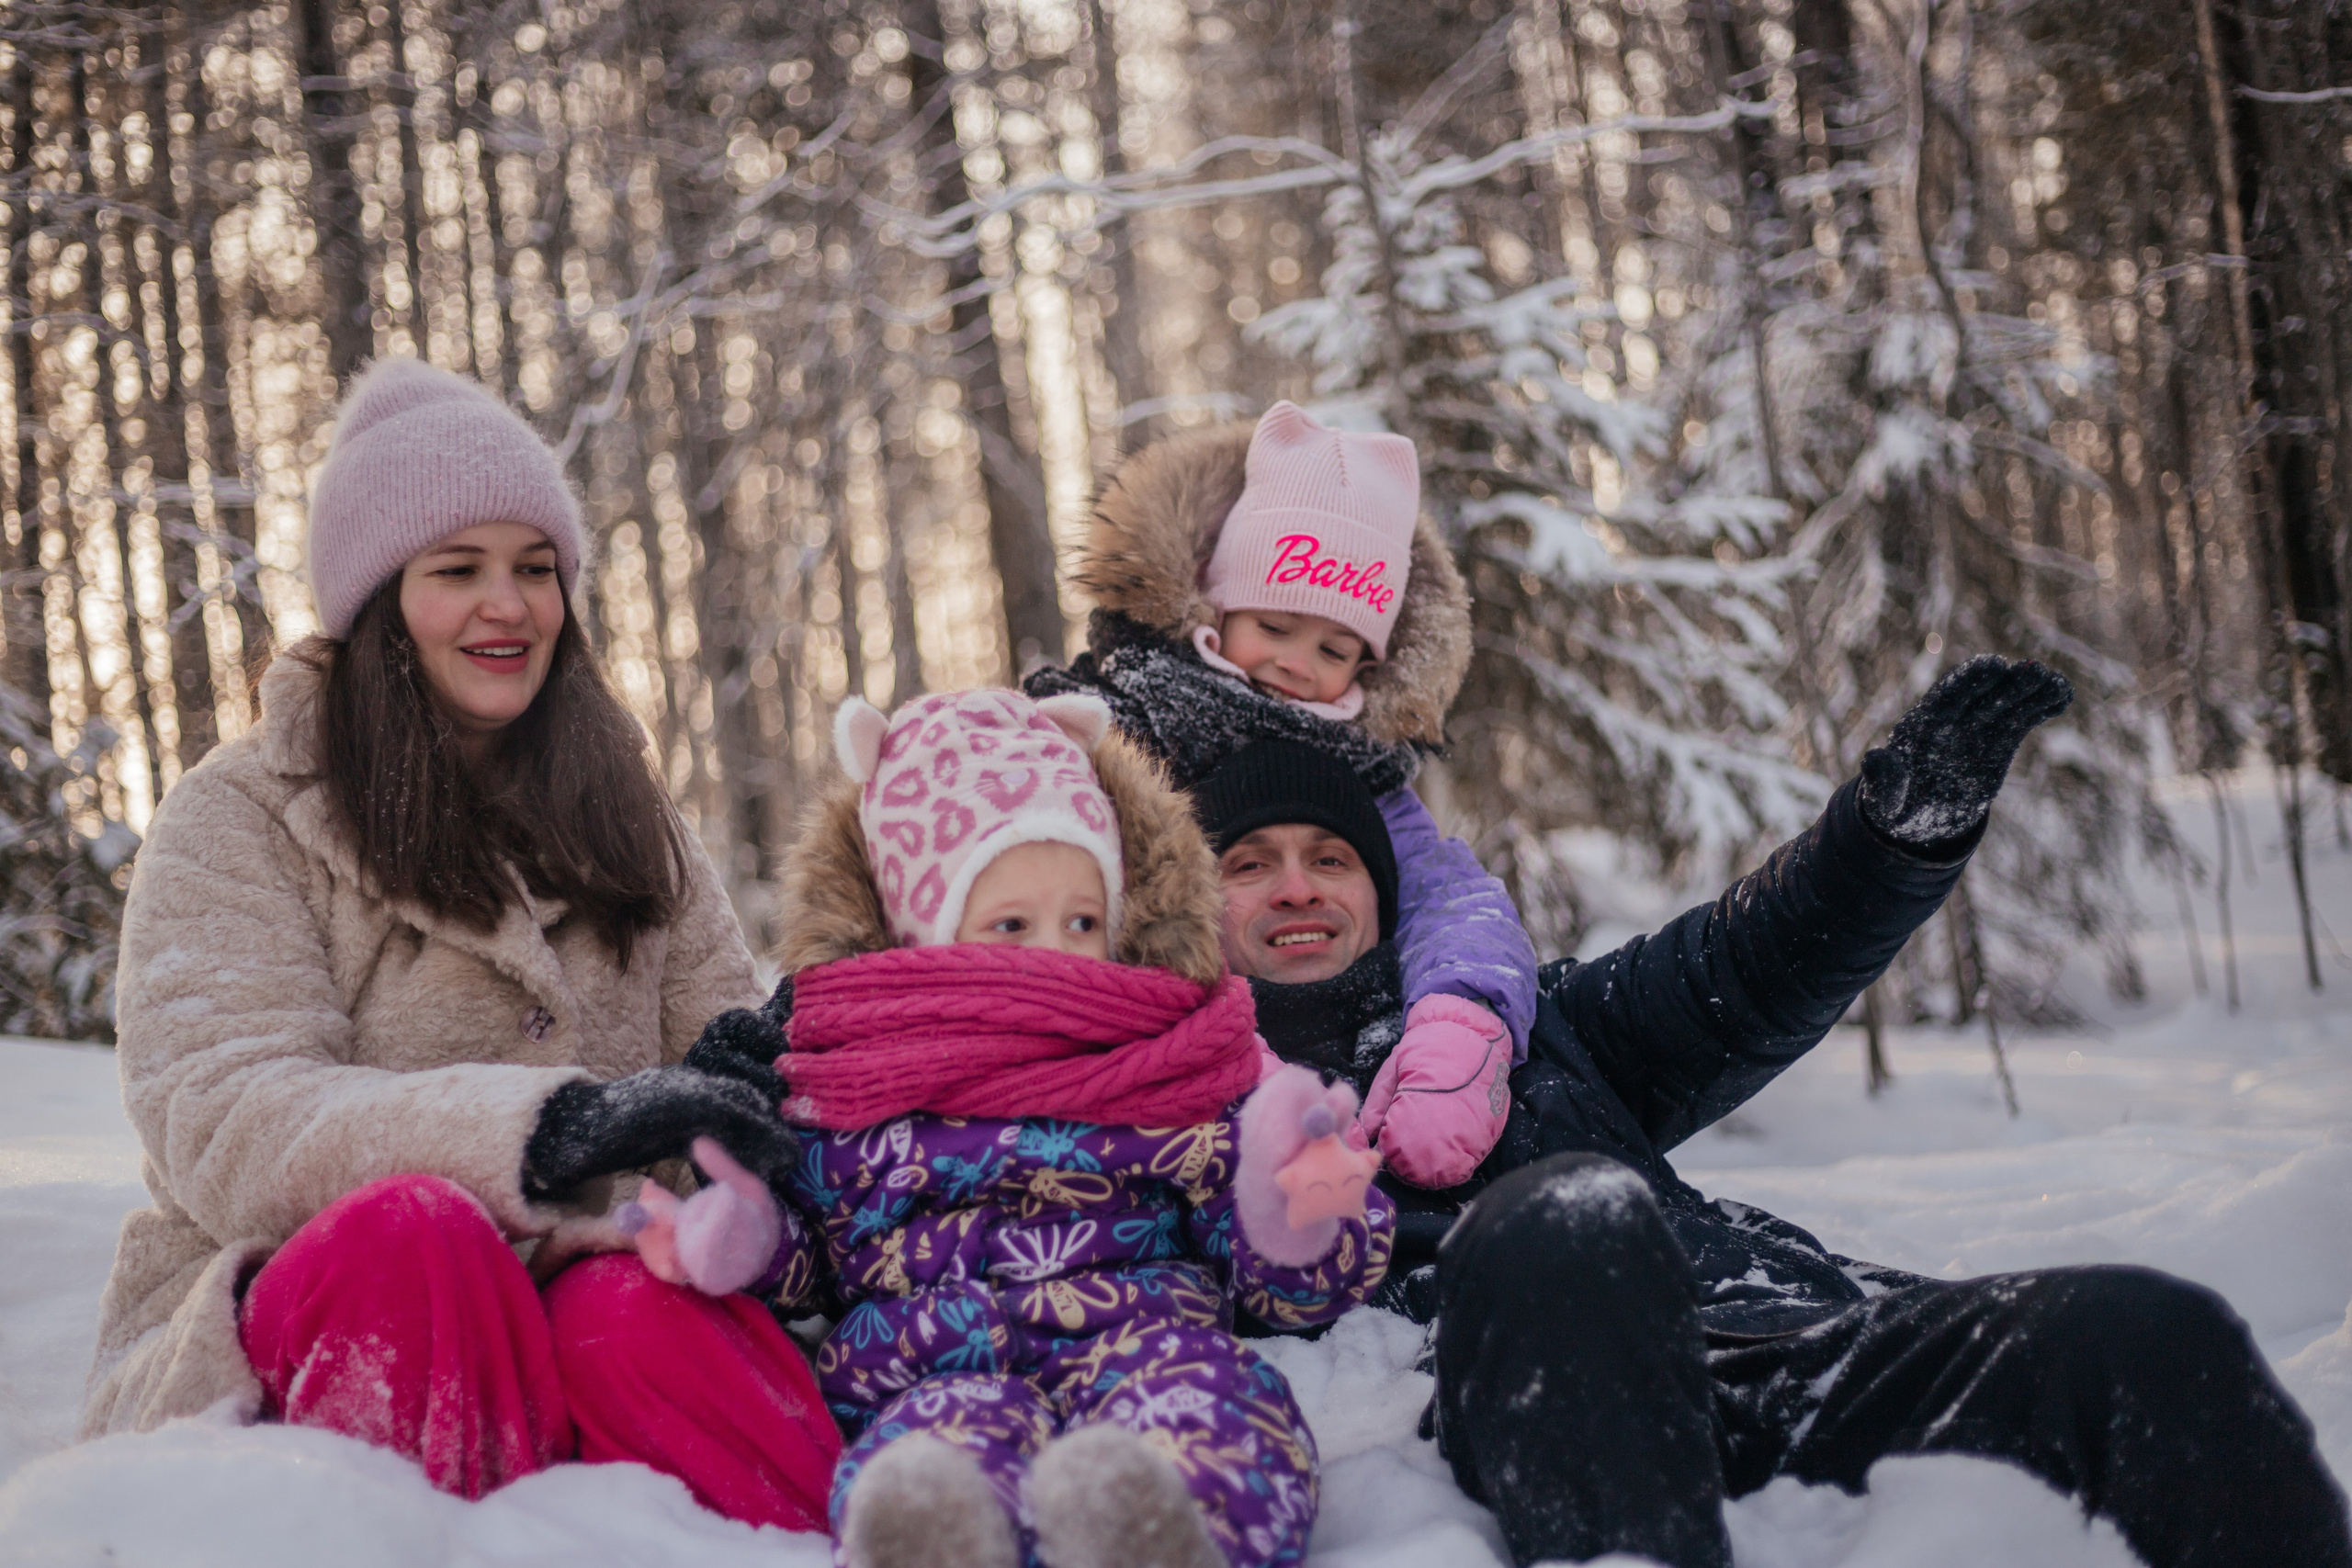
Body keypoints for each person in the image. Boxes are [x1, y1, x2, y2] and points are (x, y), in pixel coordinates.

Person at [1192, 657, 2352, 1568]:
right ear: (1193, 901)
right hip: (1543, 1407)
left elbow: (1742, 968)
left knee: (2143, 1332)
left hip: (1777, 1352)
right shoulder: (1166, 1116)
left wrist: (1889, 840)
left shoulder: (1531, 1030)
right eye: (1250, 862)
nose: (1298, 884)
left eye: (1329, 857)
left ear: (1380, 894)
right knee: (1568, 1216)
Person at [81, 359, 840, 1529]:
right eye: (458, 572)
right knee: (416, 1240)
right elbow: (224, 1117)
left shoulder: (632, 817)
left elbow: (712, 1076)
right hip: (321, 1304)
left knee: (644, 1312)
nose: (510, 606)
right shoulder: (236, 815)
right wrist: (540, 1133)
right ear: (380, 600)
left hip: (588, 1272)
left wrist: (739, 1103)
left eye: (536, 569)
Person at [678, 688, 1393, 1568]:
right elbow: (816, 1262)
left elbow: (1275, 1286)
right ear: (918, 934)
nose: (1055, 952)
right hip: (935, 1369)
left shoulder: (1167, 1058)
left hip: (1145, 1343)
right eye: (1012, 924)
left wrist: (1297, 1216)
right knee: (930, 1461)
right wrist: (752, 1233)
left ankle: (1159, 1531)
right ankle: (938, 1541)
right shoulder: (857, 1081)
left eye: (1082, 920)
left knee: (1220, 1416)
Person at [1026, 402, 1537, 1191]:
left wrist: (1464, 1025)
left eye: (1334, 648)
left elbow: (1448, 897)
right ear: (1214, 605)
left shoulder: (1364, 766)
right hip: (1152, 1091)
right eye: (1274, 624)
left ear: (1370, 668)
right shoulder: (1116, 733)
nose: (1298, 663)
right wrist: (1230, 1061)